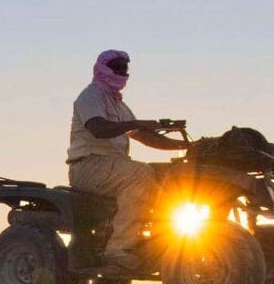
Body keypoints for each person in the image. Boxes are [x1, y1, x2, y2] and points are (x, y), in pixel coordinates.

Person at [67, 49, 189, 271]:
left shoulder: (119, 105)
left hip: (113, 167)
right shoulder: (91, 96)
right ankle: (118, 249)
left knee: (169, 175)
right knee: (140, 173)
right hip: (89, 165)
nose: (122, 72)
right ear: (103, 68)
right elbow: (99, 129)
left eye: (124, 68)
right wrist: (136, 124)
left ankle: (159, 242)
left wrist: (188, 147)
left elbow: (145, 137)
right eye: (117, 67)